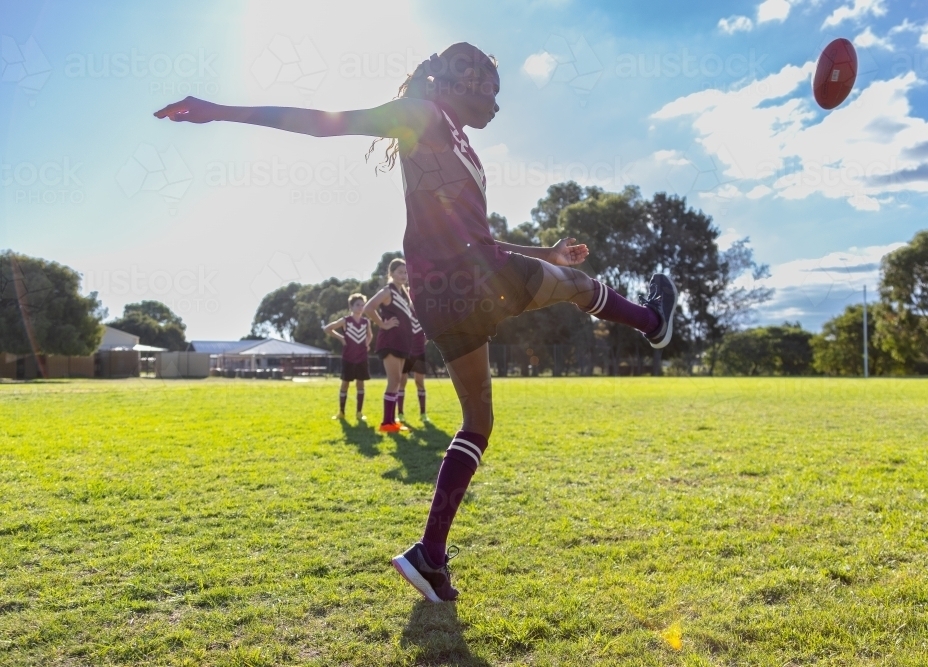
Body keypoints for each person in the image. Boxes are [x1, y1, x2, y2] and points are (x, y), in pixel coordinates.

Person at [154, 42, 677, 604]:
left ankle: (429, 556)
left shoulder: (453, 135)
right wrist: (219, 111)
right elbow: (324, 123)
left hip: (444, 290)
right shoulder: (421, 116)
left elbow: (476, 236)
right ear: (462, 80)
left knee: (477, 420)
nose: (497, 106)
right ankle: (652, 322)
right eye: (492, 92)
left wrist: (544, 252)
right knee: (580, 291)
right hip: (465, 280)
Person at [362, 258, 413, 433]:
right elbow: (369, 308)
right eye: (400, 272)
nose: (404, 275)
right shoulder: (387, 291)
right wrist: (382, 324)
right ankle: (386, 423)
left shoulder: (405, 293)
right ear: (391, 274)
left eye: (406, 272)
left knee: (398, 381)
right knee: (394, 381)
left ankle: (392, 421)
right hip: (389, 341)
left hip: (402, 342)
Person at [323, 293, 373, 421]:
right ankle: (341, 412)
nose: (360, 307)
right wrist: (341, 338)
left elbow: (370, 336)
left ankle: (359, 413)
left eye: (362, 305)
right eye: (357, 305)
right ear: (351, 306)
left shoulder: (366, 322)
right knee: (345, 384)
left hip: (361, 358)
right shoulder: (345, 320)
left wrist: (366, 345)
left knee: (360, 385)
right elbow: (328, 328)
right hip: (348, 358)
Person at [398, 268, 429, 423]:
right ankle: (400, 414)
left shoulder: (423, 313)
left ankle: (423, 414)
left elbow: (429, 333)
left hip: (420, 353)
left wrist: (423, 342)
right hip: (405, 354)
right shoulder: (404, 313)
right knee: (401, 383)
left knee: (419, 383)